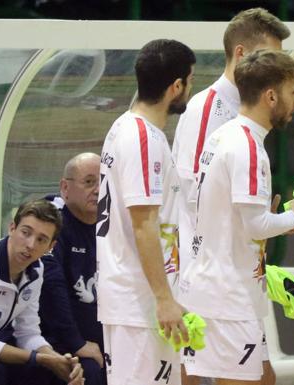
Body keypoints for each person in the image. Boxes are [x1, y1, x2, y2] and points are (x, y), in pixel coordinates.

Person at [178, 49, 294, 384]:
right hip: (226, 296)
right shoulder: (247, 146)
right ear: (271, 96)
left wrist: (282, 220)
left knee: (264, 378)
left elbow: (238, 219)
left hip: (217, 287)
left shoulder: (224, 136)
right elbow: (255, 224)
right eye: (292, 91)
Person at [171, 8, 290, 385]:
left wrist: (258, 224)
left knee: (256, 376)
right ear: (242, 55)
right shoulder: (208, 108)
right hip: (208, 272)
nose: (277, 67)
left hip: (231, 269)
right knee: (207, 375)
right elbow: (191, 196)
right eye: (268, 57)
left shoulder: (246, 119)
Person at [96, 39, 195, 385]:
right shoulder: (141, 137)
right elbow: (143, 226)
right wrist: (164, 299)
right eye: (190, 80)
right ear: (177, 86)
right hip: (138, 301)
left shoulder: (128, 127)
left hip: (137, 299)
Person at [0, 199, 84, 385]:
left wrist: (58, 360)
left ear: (51, 247)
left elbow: (28, 333)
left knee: (50, 371)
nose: (31, 245)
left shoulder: (37, 270)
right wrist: (40, 358)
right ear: (12, 228)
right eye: (26, 233)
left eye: (41, 239)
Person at [39, 152, 105, 385]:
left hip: (105, 340)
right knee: (89, 371)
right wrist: (77, 342)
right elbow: (51, 285)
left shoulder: (116, 223)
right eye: (89, 182)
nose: (98, 190)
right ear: (65, 188)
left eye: (103, 182)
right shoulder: (50, 220)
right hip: (58, 342)